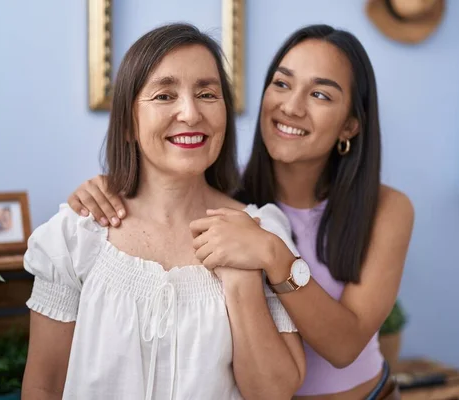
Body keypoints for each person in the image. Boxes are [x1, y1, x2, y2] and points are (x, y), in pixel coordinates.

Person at [69, 24, 414, 399]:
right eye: (281, 84)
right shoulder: (228, 203)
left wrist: (274, 255)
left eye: (319, 94)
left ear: (350, 124)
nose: (291, 106)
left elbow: (344, 346)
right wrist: (110, 188)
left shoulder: (386, 209)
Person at [22, 23, 305, 400]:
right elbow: (43, 386)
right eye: (164, 95)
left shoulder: (262, 230)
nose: (190, 113)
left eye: (207, 93)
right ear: (128, 123)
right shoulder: (74, 237)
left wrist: (242, 282)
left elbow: (274, 393)